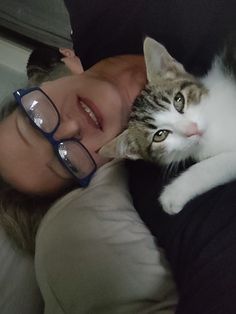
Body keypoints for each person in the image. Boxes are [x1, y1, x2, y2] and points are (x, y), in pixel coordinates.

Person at [35, 0, 236, 314]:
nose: (69, 129)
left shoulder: (93, 19)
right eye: (67, 160)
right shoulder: (164, 197)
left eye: (35, 117)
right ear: (128, 154)